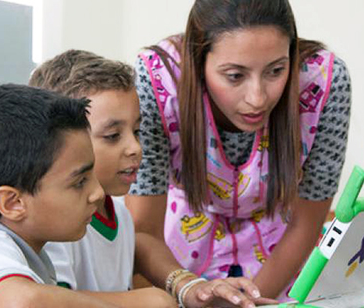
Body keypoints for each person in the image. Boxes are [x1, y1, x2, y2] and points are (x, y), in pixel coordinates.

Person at [126, 0, 352, 300]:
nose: (257, 98)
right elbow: (143, 230)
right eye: (234, 76)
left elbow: (306, 223)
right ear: (198, 62)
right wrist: (190, 289)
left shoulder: (324, 83)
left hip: (282, 255)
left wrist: (247, 303)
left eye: (276, 71)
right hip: (180, 251)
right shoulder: (158, 80)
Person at [30, 50, 276, 308]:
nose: (135, 147)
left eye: (136, 131)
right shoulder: (54, 228)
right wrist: (150, 300)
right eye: (113, 135)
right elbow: (54, 301)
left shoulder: (121, 218)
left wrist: (192, 289)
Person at [0, 84, 120, 308]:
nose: (97, 193)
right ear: (12, 203)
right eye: (79, 182)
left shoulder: (26, 251)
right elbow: (23, 302)